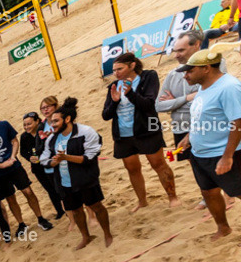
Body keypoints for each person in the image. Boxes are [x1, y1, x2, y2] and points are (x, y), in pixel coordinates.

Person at [102, 52, 180, 211]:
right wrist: (115, 102)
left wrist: (130, 93)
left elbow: (149, 105)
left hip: (147, 127)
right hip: (123, 133)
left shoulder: (148, 77)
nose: (116, 73)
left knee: (158, 164)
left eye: (119, 69)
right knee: (132, 168)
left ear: (132, 65)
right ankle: (142, 201)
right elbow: (106, 115)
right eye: (114, 70)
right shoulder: (113, 86)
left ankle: (173, 197)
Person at [179, 45, 241, 240]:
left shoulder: (228, 87)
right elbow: (202, 117)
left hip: (223, 154)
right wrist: (190, 136)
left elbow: (238, 122)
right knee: (209, 192)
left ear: (206, 68)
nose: (185, 75)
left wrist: (227, 156)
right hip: (200, 154)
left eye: (190, 70)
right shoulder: (202, 87)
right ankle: (223, 228)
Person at [39, 97, 114, 249]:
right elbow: (44, 158)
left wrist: (66, 157)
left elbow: (90, 157)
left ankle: (107, 234)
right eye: (51, 122)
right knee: (76, 210)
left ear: (67, 119)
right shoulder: (51, 139)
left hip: (85, 179)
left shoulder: (86, 132)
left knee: (96, 206)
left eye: (55, 121)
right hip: (64, 181)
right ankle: (86, 237)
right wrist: (54, 162)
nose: (52, 125)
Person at [0, 109, 54, 235]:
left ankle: (40, 218)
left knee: (28, 191)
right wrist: (0, 165)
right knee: (10, 198)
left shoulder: (3, 125)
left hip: (14, 166)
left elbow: (15, 141)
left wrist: (12, 157)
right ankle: (21, 224)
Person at [158, 31, 212, 172]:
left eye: (181, 50)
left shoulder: (212, 65)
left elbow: (208, 101)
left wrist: (175, 103)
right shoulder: (173, 74)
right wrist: (186, 99)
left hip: (206, 126)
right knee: (198, 170)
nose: (176, 55)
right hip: (181, 128)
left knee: (216, 167)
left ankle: (227, 195)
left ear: (197, 45)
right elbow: (158, 105)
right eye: (175, 51)